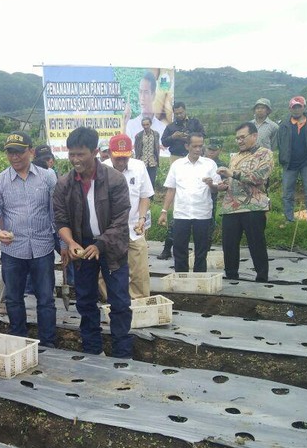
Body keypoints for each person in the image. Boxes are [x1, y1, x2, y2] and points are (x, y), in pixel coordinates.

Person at [53, 127, 133, 358]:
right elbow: (60, 219)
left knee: (119, 300)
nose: (75, 160)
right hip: (81, 246)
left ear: (95, 151)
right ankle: (91, 348)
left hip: (111, 245)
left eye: (81, 154)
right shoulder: (64, 184)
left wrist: (100, 245)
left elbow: (120, 221)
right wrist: (70, 242)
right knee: (86, 299)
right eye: (72, 154)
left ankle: (122, 351)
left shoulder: (114, 180)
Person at [0, 132, 58, 348]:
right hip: (12, 250)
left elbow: (55, 214)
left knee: (46, 299)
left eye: (19, 151)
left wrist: (62, 244)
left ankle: (48, 343)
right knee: (14, 299)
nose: (15, 157)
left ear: (31, 152)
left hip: (42, 248)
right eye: (10, 152)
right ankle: (18, 341)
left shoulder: (47, 177)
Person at [207, 123, 273, 282]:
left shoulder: (264, 154)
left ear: (254, 136)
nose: (239, 141)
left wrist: (232, 173)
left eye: (242, 137)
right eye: (237, 138)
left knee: (256, 243)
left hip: (254, 207)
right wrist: (222, 185)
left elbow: (259, 177)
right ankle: (231, 276)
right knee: (228, 245)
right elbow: (232, 180)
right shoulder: (234, 157)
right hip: (231, 207)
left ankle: (262, 277)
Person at [158, 132, 220, 272]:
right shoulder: (177, 165)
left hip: (203, 213)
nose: (198, 149)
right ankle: (181, 278)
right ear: (187, 146)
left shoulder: (210, 164)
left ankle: (199, 280)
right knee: (179, 249)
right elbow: (171, 190)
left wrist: (211, 184)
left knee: (201, 250)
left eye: (200, 146)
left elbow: (216, 190)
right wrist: (164, 211)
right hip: (182, 213)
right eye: (194, 146)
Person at [106, 133, 155, 299]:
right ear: (110, 153)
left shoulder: (139, 167)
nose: (121, 161)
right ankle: (114, 300)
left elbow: (145, 196)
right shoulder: (101, 170)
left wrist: (142, 218)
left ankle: (139, 301)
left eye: (125, 158)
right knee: (106, 269)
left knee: (140, 268)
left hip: (134, 226)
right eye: (118, 158)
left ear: (131, 154)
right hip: (109, 229)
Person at [277, 96, 307, 223]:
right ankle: (289, 219)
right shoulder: (284, 125)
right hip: (289, 164)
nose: (296, 110)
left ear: (304, 107)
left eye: (299, 107)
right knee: (287, 194)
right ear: (290, 109)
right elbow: (280, 143)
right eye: (293, 107)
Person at [125, 71, 168, 151]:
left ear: (153, 95)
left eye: (146, 92)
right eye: (140, 92)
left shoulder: (163, 128)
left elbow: (165, 154)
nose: (142, 97)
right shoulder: (130, 125)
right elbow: (125, 149)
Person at [133, 116, 161, 187]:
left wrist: (157, 158)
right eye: (143, 125)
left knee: (152, 180)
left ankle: (151, 197)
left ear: (150, 124)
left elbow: (157, 147)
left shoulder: (156, 134)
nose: (145, 126)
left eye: (147, 124)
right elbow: (137, 149)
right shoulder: (139, 135)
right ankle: (143, 196)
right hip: (142, 161)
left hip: (152, 161)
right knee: (143, 180)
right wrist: (138, 159)